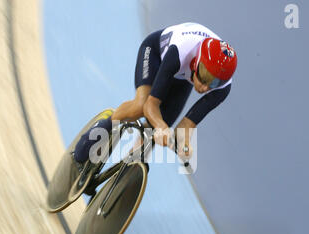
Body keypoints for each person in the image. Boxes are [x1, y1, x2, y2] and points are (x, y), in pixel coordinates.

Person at [74, 22, 237, 164]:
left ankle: (124, 172)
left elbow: (186, 126)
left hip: (183, 76)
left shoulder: (223, 90)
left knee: (155, 130)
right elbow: (150, 105)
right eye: (204, 76)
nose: (204, 88)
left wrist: (183, 145)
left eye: (214, 83)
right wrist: (161, 127)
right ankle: (98, 133)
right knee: (140, 106)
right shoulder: (181, 51)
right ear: (197, 61)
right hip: (156, 54)